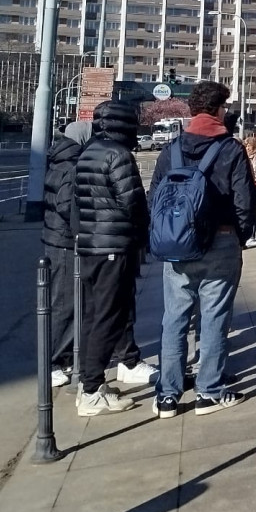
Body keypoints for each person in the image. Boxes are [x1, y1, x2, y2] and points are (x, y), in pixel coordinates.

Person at [150, 81, 256, 417]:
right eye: (225, 107)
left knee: (174, 318)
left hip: (178, 244)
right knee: (214, 317)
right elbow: (245, 200)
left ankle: (167, 395)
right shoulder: (231, 149)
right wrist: (241, 237)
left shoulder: (172, 149)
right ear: (218, 110)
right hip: (221, 241)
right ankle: (208, 391)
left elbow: (155, 198)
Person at [73, 99, 149, 415]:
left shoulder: (87, 152)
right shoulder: (118, 155)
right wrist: (144, 234)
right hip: (114, 247)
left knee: (94, 316)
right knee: (109, 316)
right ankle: (92, 390)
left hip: (91, 245)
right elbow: (133, 202)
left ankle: (87, 383)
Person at [43, 120, 89, 388]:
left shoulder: (58, 160)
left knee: (64, 301)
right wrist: (82, 230)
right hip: (65, 242)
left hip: (55, 238)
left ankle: (63, 357)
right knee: (65, 303)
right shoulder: (72, 165)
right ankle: (53, 362)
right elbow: (67, 206)